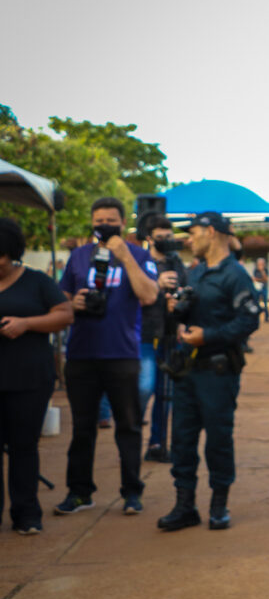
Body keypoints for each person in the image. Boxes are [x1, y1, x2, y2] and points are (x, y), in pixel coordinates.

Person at [55, 197, 159, 516]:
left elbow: (149, 295)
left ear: (123, 223)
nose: (104, 225)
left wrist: (125, 256)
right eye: (98, 220)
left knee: (128, 426)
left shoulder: (140, 255)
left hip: (122, 354)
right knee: (83, 428)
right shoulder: (77, 257)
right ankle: (79, 492)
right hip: (82, 354)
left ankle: (132, 492)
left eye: (110, 220)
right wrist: (75, 305)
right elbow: (61, 301)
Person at [157, 211, 259, 531]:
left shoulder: (236, 275)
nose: (189, 238)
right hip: (187, 371)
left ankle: (219, 505)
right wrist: (177, 309)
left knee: (218, 439)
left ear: (211, 232)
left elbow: (248, 321)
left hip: (218, 372)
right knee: (182, 440)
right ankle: (185, 505)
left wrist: (209, 336)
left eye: (194, 232)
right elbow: (187, 311)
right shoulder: (196, 273)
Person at [0, 218, 74, 534]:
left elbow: (65, 314)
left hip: (29, 378)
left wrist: (26, 324)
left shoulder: (36, 282)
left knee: (23, 446)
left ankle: (26, 514)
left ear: (11, 253)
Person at [142, 215, 189, 463]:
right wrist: (156, 284)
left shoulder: (175, 262)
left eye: (169, 237)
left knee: (165, 393)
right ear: (149, 238)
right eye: (160, 238)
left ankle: (157, 442)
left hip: (171, 334)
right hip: (144, 335)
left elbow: (186, 291)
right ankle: (130, 437)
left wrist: (179, 305)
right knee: (143, 388)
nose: (165, 242)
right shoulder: (140, 262)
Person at [252, 258, 269, 323]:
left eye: (262, 263)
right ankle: (257, 318)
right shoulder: (255, 270)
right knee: (256, 303)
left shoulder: (265, 270)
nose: (260, 264)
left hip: (264, 288)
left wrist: (262, 271)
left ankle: (267, 318)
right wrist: (261, 279)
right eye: (259, 263)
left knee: (265, 303)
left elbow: (266, 279)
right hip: (257, 289)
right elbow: (253, 279)